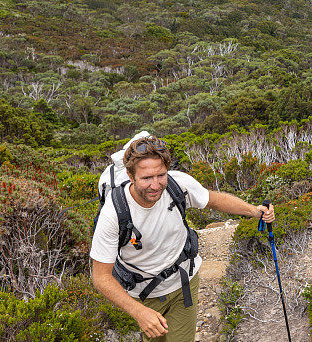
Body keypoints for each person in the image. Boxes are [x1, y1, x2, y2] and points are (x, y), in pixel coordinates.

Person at [90, 135, 275, 341]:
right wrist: (139, 312)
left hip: (183, 282)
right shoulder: (114, 213)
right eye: (146, 178)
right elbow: (101, 277)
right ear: (130, 176)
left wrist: (254, 211)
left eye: (161, 175)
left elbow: (212, 199)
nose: (155, 185)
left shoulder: (178, 184)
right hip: (144, 296)